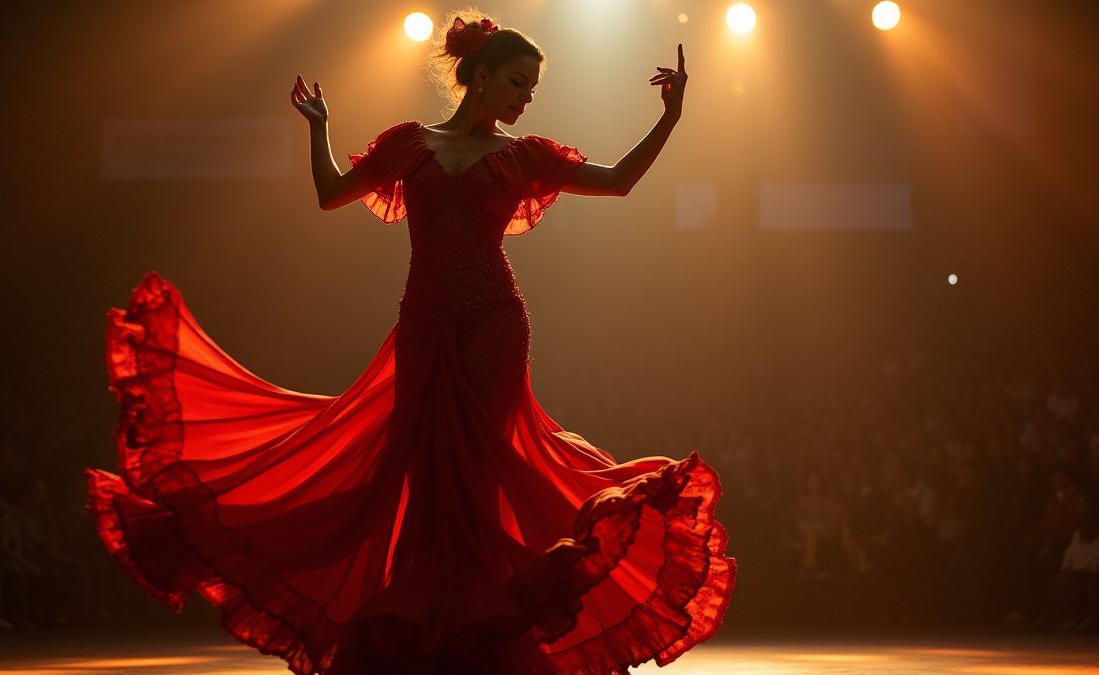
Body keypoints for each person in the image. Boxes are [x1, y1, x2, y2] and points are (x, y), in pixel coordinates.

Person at [84, 11, 735, 675]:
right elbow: (330, 194)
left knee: (476, 470)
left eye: (532, 88)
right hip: (422, 322)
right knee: (418, 468)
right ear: (478, 77)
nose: (525, 97)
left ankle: (481, 632)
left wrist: (671, 117)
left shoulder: (526, 153)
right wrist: (320, 130)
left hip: (493, 323)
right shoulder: (408, 143)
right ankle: (431, 627)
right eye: (517, 82)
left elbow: (619, 180)